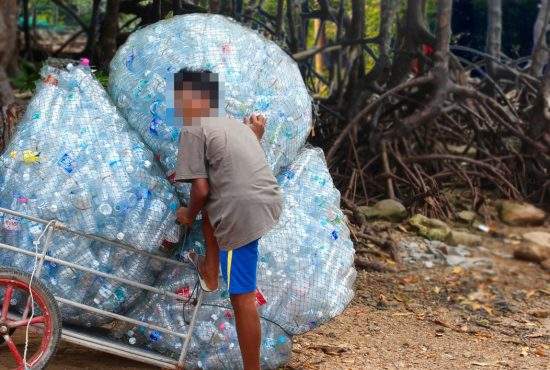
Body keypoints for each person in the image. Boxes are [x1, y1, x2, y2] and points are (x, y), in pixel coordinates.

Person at [173, 69, 282, 370]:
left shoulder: (193, 128)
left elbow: (201, 188)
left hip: (241, 211)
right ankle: (210, 268)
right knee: (212, 206)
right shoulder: (234, 126)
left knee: (241, 295)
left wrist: (187, 215)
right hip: (265, 200)